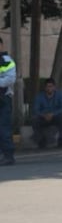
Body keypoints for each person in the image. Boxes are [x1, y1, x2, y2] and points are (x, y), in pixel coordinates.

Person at [31, 78, 62, 149]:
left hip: (55, 117)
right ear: (45, 88)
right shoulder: (39, 96)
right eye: (47, 86)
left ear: (54, 87)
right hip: (43, 117)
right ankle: (41, 140)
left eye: (51, 86)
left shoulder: (60, 94)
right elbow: (35, 110)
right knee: (34, 119)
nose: (49, 88)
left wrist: (52, 114)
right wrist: (44, 115)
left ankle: (61, 139)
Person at [0, 35, 16, 166]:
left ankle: (8, 155)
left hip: (3, 99)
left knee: (3, 127)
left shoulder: (7, 61)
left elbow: (10, 79)